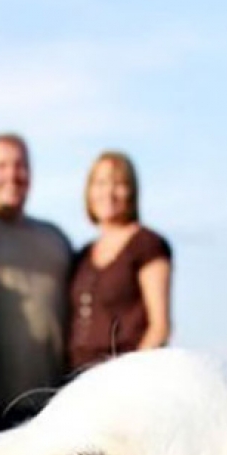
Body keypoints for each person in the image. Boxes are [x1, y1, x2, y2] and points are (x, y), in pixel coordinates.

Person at [0, 133, 72, 429]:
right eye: (1, 166)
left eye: (20, 165)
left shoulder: (55, 239)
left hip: (48, 405)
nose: (12, 175)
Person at [65, 151, 173, 376]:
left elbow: (159, 327)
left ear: (131, 191)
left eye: (119, 183)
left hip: (124, 380)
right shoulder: (83, 255)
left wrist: (128, 379)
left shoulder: (147, 245)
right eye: (101, 183)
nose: (109, 193)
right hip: (79, 378)